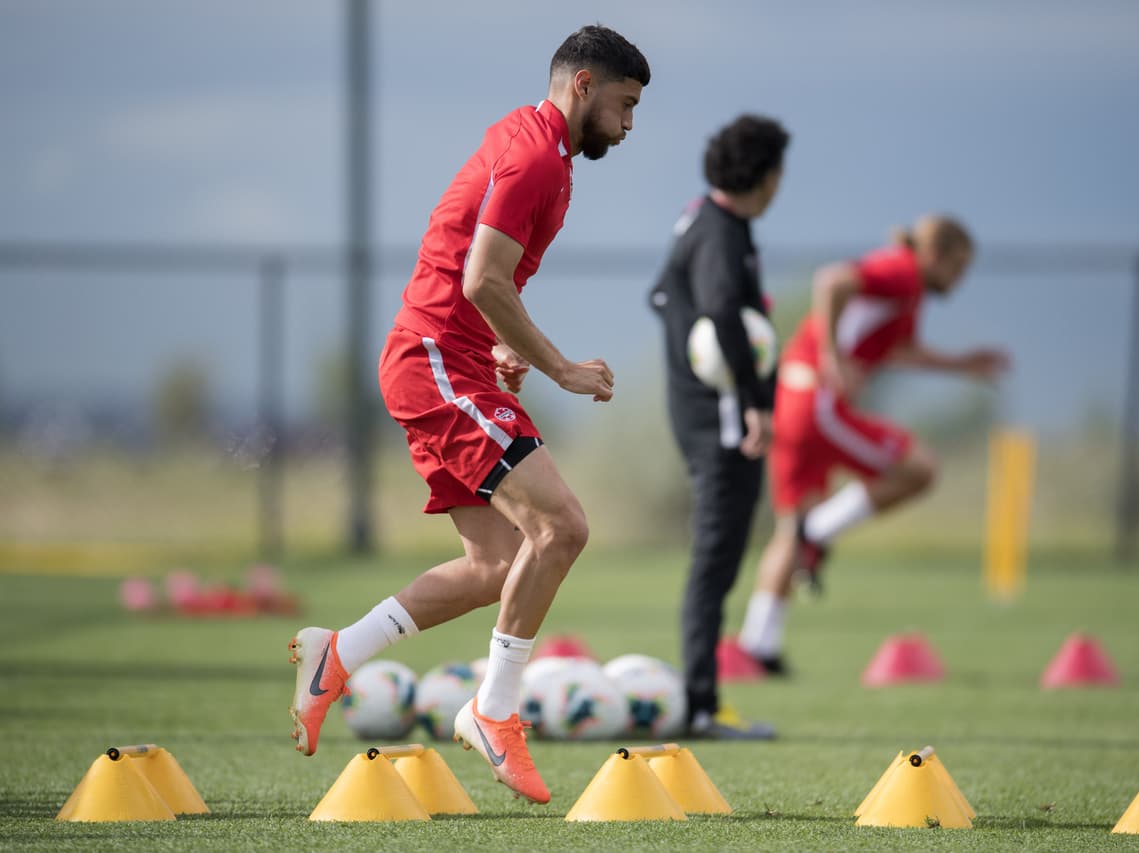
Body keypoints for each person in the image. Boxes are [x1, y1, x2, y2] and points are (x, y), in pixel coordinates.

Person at [287, 25, 649, 806]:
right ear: (582, 84)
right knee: (562, 528)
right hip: (434, 362)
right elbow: (484, 278)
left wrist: (500, 346)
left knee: (496, 565)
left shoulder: (541, 151)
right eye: (624, 105)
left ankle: (340, 652)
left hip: (450, 358)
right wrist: (559, 368)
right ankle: (493, 710)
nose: (628, 126)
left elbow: (477, 275)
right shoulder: (530, 155)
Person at [735, 215, 1008, 672]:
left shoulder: (908, 289)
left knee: (790, 528)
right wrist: (833, 357)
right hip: (817, 399)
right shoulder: (902, 270)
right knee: (920, 469)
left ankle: (756, 648)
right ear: (936, 255)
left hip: (793, 397)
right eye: (958, 267)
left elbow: (900, 351)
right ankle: (820, 531)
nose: (959, 280)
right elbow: (832, 281)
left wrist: (962, 365)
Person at [649, 115, 789, 739]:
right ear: (765, 176)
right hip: (723, 418)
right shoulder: (724, 234)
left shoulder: (698, 217)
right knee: (716, 558)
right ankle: (701, 706)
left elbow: (660, 296)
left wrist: (689, 347)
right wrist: (754, 398)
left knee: (720, 557)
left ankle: (701, 700)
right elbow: (722, 311)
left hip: (699, 411)